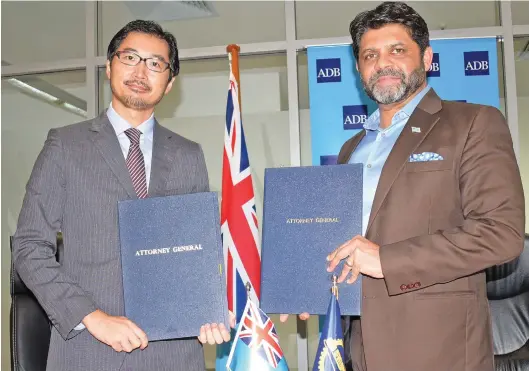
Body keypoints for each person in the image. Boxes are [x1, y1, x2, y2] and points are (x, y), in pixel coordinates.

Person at [284, 2, 525, 371]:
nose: (382, 63)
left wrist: (386, 260)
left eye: (397, 50)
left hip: (438, 349)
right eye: (370, 55)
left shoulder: (473, 123)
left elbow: (500, 234)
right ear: (359, 68)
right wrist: (312, 286)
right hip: (360, 348)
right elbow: (346, 241)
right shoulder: (352, 148)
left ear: (426, 57)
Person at [12, 20, 233, 371]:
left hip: (173, 354)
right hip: (89, 350)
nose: (141, 71)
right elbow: (28, 246)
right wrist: (92, 317)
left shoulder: (189, 155)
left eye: (155, 63)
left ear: (170, 81)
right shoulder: (65, 146)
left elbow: (197, 252)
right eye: (130, 57)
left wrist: (206, 310)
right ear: (109, 66)